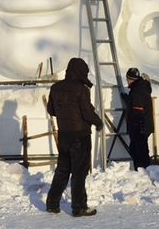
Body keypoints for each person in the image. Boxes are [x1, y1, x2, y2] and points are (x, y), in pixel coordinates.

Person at [46, 57, 103, 217]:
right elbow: (87, 112)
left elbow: (51, 110)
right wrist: (98, 122)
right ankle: (79, 207)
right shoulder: (81, 89)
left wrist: (64, 114)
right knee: (79, 173)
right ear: (79, 71)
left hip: (63, 135)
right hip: (80, 136)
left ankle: (52, 204)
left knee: (62, 170)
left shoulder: (55, 87)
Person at [122, 67, 153, 170]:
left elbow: (138, 111)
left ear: (131, 79)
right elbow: (136, 104)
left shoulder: (137, 91)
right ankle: (142, 172)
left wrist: (135, 127)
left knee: (139, 154)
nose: (127, 81)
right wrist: (128, 100)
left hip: (140, 128)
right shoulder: (139, 88)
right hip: (142, 127)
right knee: (137, 151)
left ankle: (143, 174)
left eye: (127, 79)